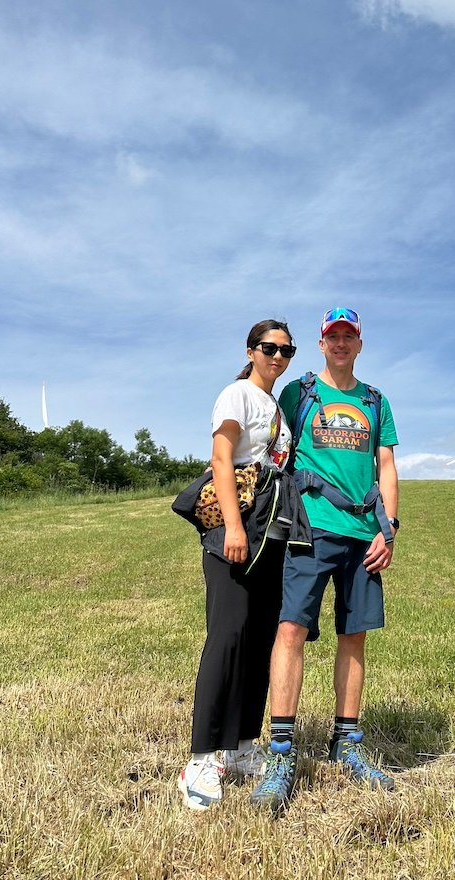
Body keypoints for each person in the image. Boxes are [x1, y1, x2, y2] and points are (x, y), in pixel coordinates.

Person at [250, 307, 399, 811]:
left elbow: (386, 466)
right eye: (332, 336)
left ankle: (347, 744)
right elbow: (266, 433)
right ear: (321, 344)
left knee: (353, 637)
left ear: (360, 344)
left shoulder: (376, 402)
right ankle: (281, 753)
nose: (340, 343)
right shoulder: (300, 393)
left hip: (364, 536)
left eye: (348, 337)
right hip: (310, 529)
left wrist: (390, 529)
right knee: (290, 629)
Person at [178, 319, 299, 811]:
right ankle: (202, 757)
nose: (277, 356)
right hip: (239, 528)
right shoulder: (237, 394)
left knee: (258, 640)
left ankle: (243, 745)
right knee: (227, 637)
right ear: (250, 351)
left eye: (286, 350)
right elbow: (221, 459)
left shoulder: (276, 407)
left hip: (275, 532)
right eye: (269, 348)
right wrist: (231, 526)